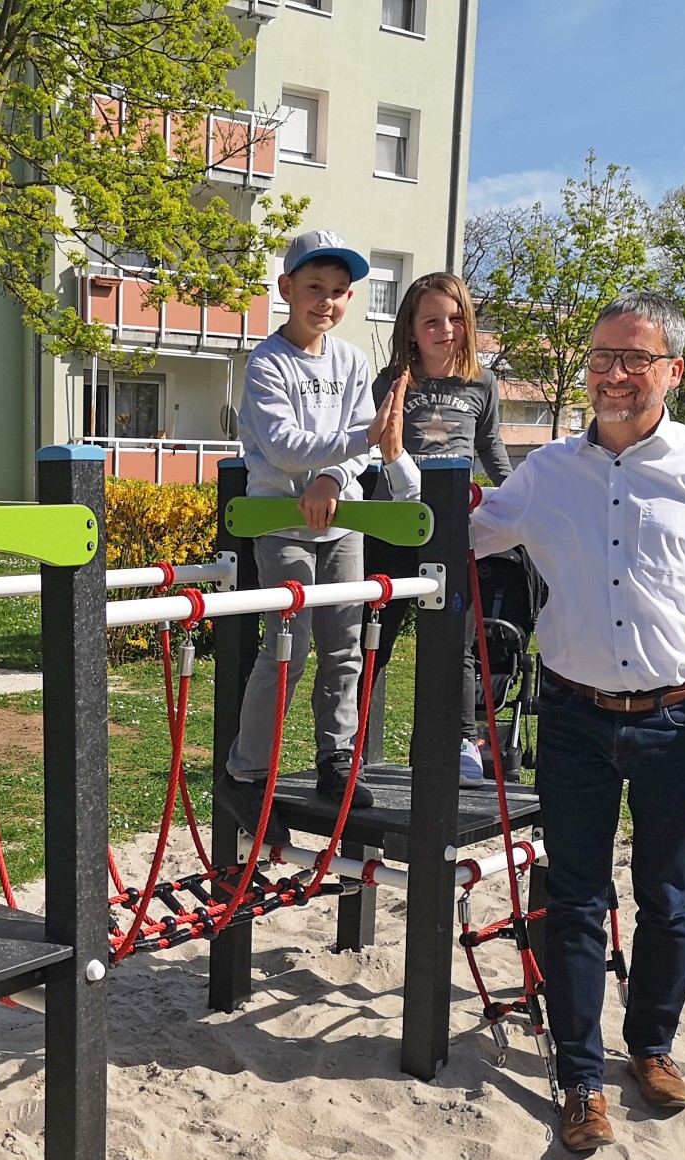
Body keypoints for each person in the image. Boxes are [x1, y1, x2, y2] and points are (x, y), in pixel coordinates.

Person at [468, 291, 685, 1154]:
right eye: (602, 357)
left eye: (634, 358)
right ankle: (579, 1078)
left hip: (680, 719)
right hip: (573, 716)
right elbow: (463, 536)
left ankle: (650, 1050)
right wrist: (371, 482)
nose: (613, 374)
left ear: (672, 371)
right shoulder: (544, 476)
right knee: (572, 901)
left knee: (668, 899)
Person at [216, 228, 393, 840]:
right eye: (315, 287)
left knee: (346, 643)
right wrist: (340, 462)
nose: (327, 300)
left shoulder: (350, 361)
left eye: (340, 291)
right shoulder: (266, 363)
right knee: (285, 649)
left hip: (341, 521)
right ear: (287, 288)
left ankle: (337, 757)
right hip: (281, 522)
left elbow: (361, 442)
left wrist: (335, 482)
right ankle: (249, 771)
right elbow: (285, 447)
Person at [366, 271, 515, 780]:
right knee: (376, 635)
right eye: (432, 320)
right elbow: (379, 449)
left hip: (456, 529)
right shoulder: (391, 382)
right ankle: (358, 739)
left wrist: (516, 499)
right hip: (396, 526)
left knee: (459, 640)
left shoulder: (482, 383)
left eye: (455, 319)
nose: (445, 329)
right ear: (411, 329)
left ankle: (458, 741)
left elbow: (490, 447)